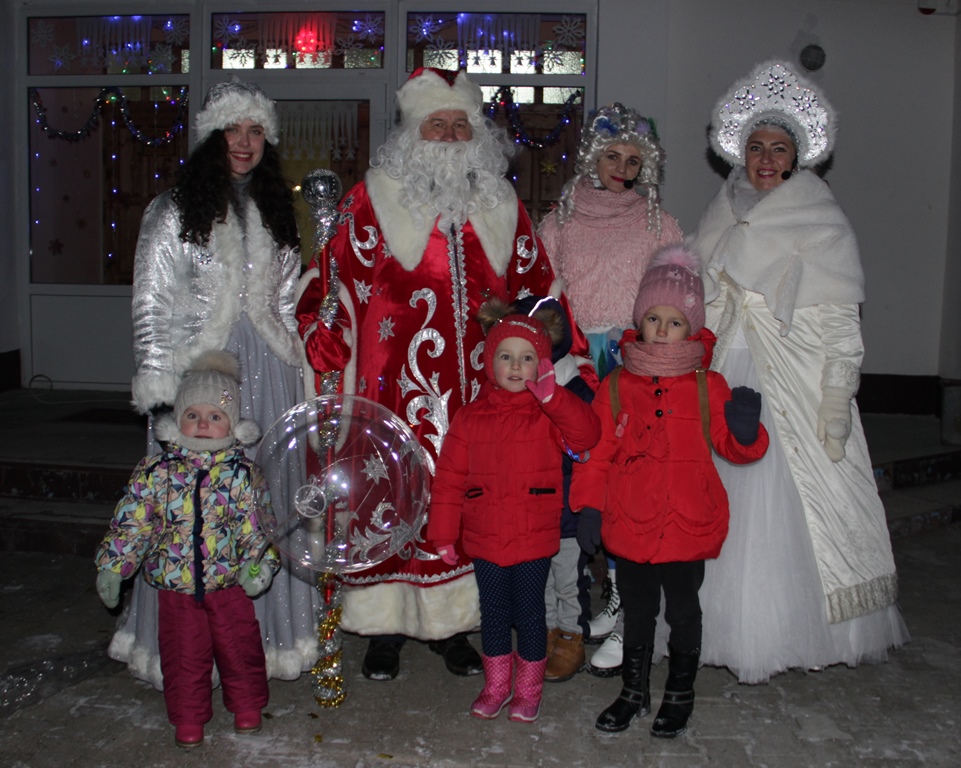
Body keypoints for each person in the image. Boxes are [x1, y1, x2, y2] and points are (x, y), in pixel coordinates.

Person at [296, 67, 592, 681]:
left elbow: (539, 288)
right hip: (390, 390)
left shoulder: (501, 204)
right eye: (439, 124)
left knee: (473, 500)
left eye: (462, 124)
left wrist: (560, 351)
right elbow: (330, 282)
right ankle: (384, 629)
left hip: (481, 395)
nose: (452, 136)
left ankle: (456, 626)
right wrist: (325, 328)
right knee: (391, 493)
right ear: (413, 131)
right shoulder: (368, 200)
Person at [688, 60, 910, 684]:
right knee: (721, 496)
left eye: (778, 149)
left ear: (796, 157)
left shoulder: (822, 217)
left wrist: (837, 396)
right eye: (756, 147)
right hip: (730, 361)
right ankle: (716, 625)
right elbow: (699, 296)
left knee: (795, 502)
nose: (765, 159)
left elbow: (840, 319)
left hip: (795, 371)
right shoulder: (721, 210)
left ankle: (794, 630)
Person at [116, 78, 318, 689]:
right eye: (233, 129)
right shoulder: (172, 210)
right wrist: (158, 378)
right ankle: (186, 651)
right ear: (211, 136)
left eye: (256, 131)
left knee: (267, 504)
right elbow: (151, 300)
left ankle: (271, 640)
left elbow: (286, 300)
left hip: (272, 373)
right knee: (190, 513)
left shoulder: (277, 208)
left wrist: (305, 357)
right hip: (201, 376)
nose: (245, 142)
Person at [570, 245, 769, 736]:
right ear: (639, 321)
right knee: (638, 611)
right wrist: (589, 507)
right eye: (653, 318)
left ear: (692, 328)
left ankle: (680, 693)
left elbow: (731, 447)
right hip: (630, 520)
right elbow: (597, 453)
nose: (661, 329)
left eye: (674, 321)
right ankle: (633, 691)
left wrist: (745, 433)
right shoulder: (617, 385)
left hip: (686, 520)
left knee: (683, 610)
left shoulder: (708, 384)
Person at [538, 103, 684, 677]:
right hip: (574, 368)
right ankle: (569, 605)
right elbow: (543, 298)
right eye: (612, 156)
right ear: (591, 158)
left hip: (633, 365)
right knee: (578, 483)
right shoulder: (559, 222)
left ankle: (626, 602)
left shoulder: (659, 224)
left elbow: (674, 298)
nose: (622, 168)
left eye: (633, 160)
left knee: (631, 483)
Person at [95, 352, 281, 749]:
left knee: (239, 646)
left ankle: (247, 704)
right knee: (183, 654)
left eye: (215, 416)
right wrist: (114, 566)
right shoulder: (156, 473)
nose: (203, 424)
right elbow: (133, 524)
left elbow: (258, 527)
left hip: (227, 583)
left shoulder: (243, 476)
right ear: (177, 420)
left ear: (233, 424)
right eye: (192, 415)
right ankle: (188, 715)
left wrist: (260, 565)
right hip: (175, 586)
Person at [427, 300, 601, 722]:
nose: (516, 367)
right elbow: (449, 479)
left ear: (541, 365)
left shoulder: (548, 412)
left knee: (530, 614)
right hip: (485, 536)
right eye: (506, 357)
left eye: (526, 358)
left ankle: (527, 690)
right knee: (493, 615)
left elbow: (587, 434)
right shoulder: (470, 418)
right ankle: (496, 685)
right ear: (490, 362)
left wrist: (554, 398)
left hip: (533, 535)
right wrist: (443, 533)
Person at [505, 294, 596, 684]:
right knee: (537, 579)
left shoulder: (575, 387)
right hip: (530, 512)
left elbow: (589, 443)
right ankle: (543, 632)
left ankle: (572, 635)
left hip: (567, 509)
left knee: (568, 581)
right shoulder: (512, 389)